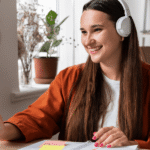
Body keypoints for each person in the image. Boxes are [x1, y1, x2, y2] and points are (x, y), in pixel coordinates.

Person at [0, 0, 150, 149]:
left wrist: (132, 144)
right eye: (84, 32)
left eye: (97, 30)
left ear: (123, 31)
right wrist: (4, 130)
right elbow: (37, 117)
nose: (87, 41)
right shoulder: (69, 78)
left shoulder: (148, 79)